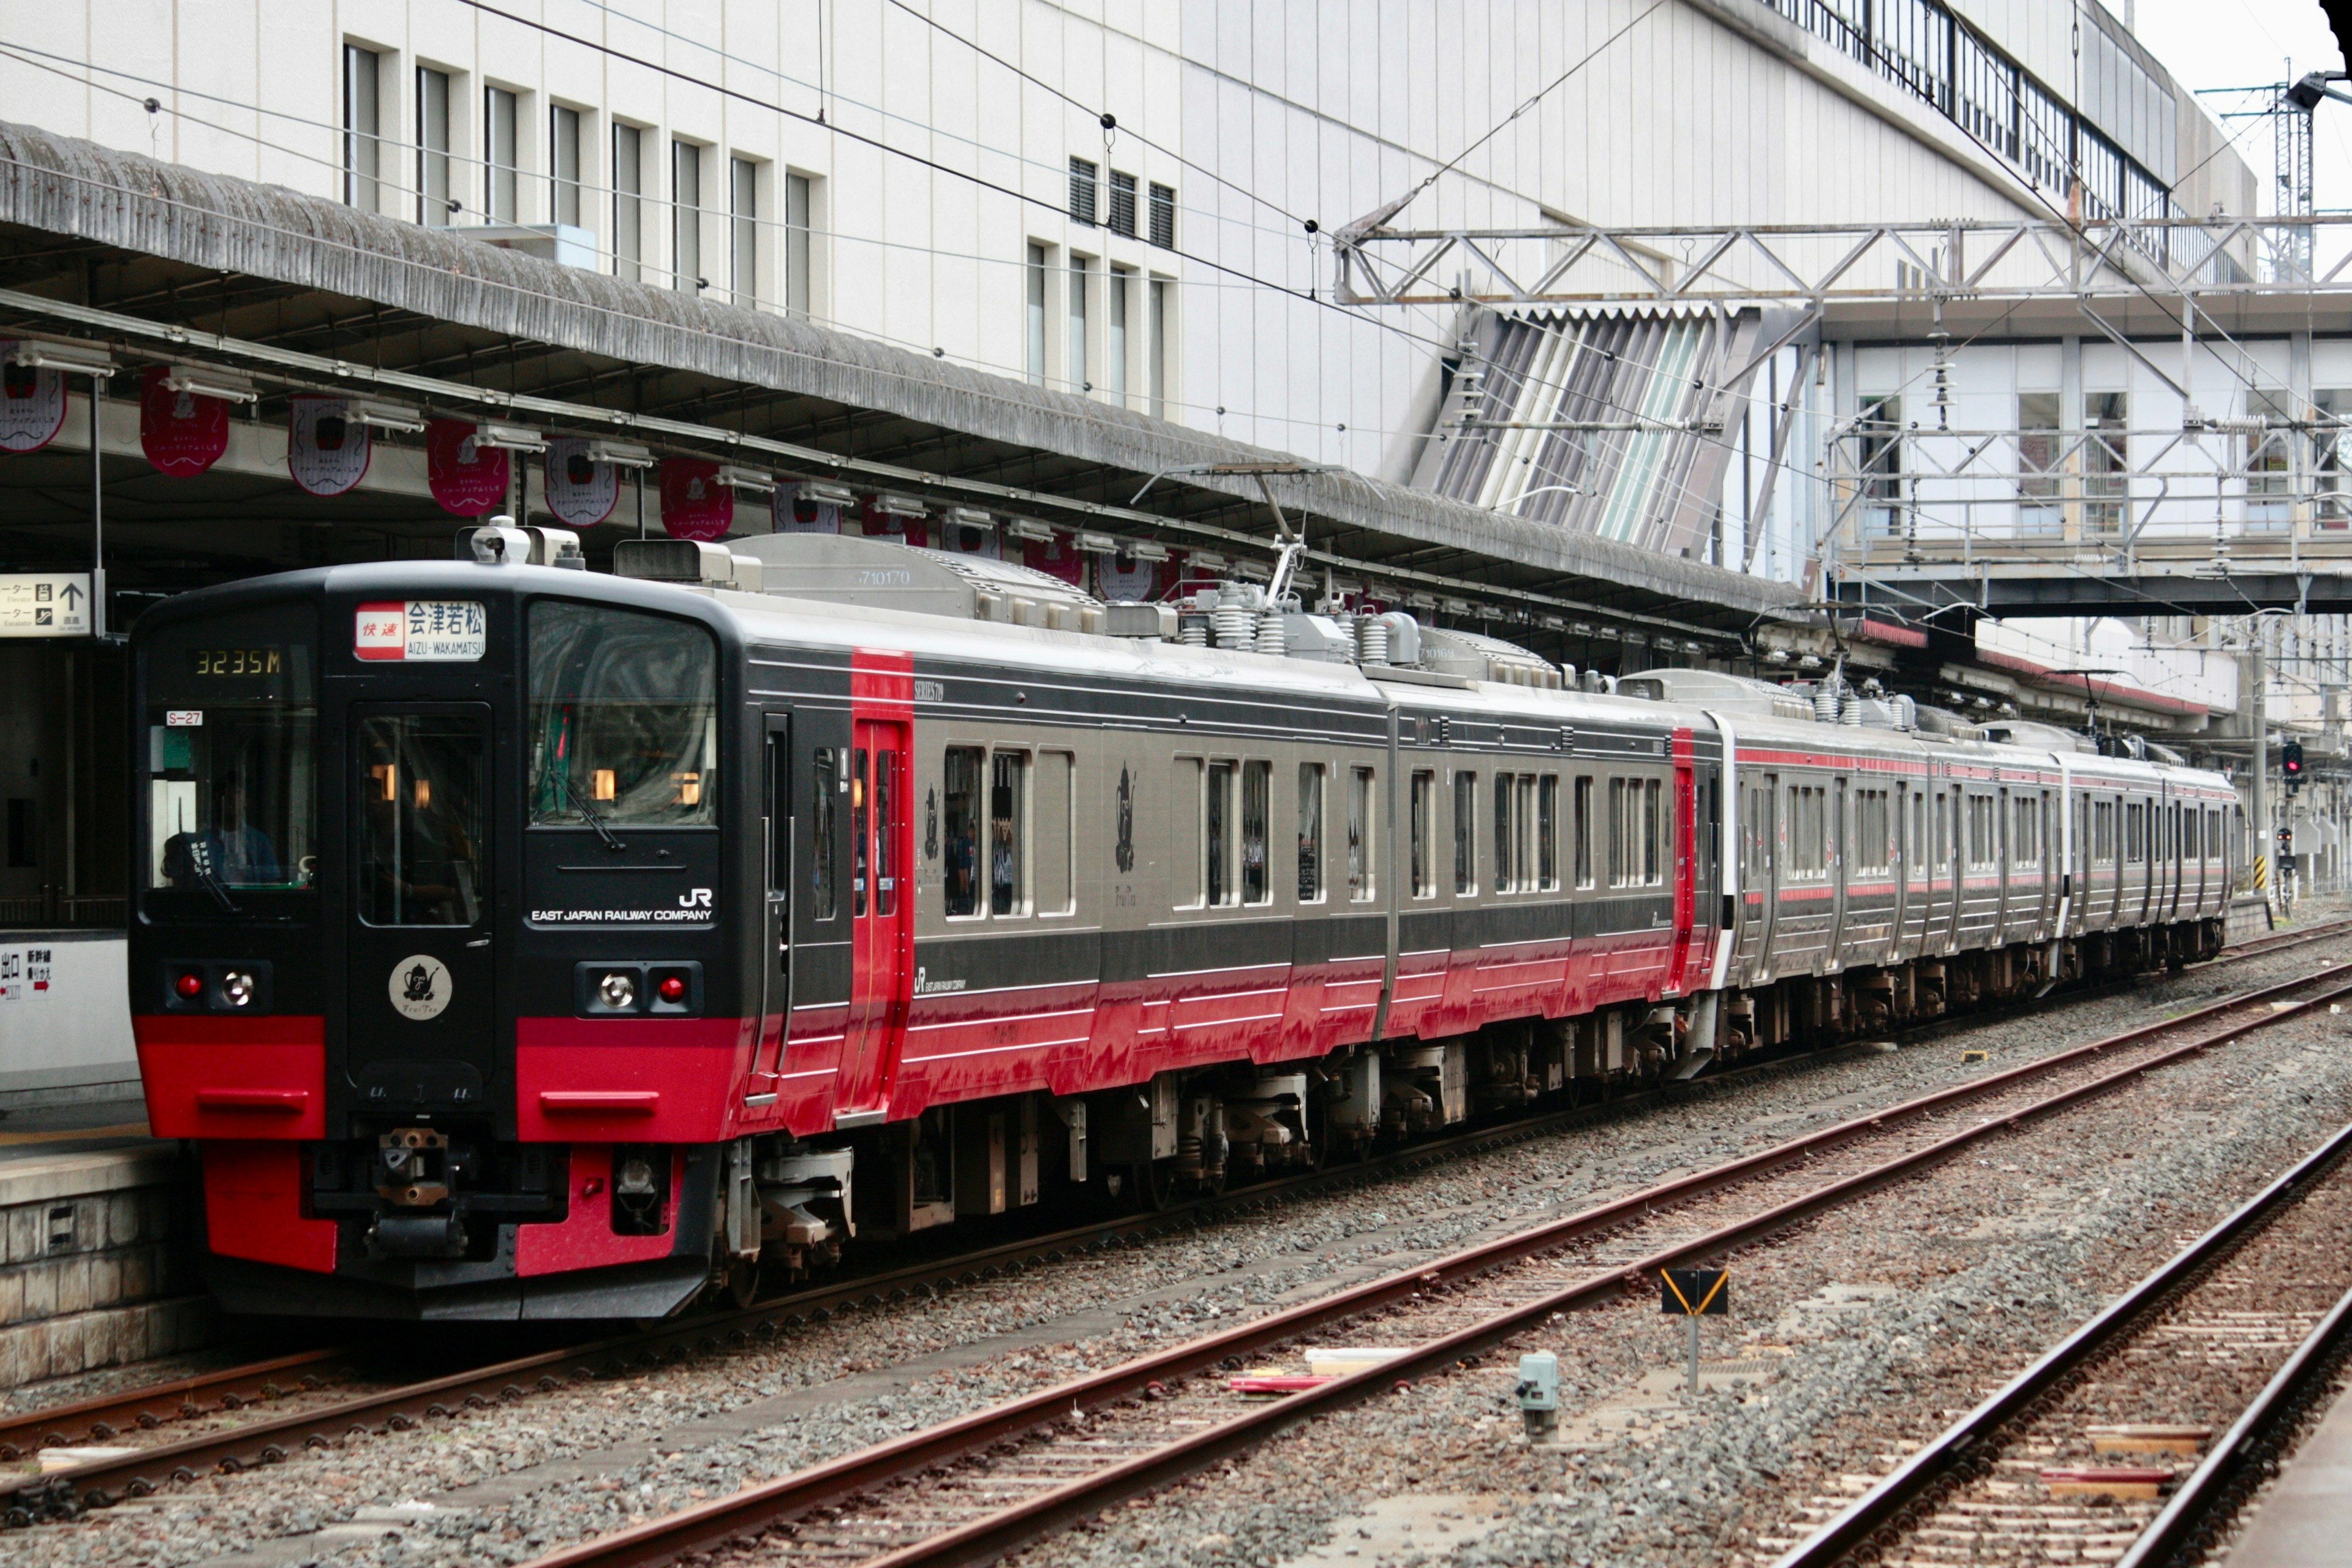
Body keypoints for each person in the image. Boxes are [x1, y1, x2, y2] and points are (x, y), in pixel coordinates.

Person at [163, 771, 279, 888]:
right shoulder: (199, 840)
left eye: (238, 792)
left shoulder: (259, 841)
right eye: (225, 793)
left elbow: (271, 885)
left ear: (246, 801)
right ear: (217, 800)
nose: (232, 798)